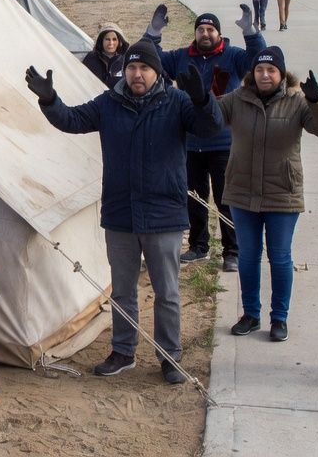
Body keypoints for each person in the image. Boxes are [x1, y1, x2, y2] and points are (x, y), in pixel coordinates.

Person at [27, 42, 221, 383]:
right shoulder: (109, 103)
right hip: (120, 214)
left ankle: (169, 355)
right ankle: (123, 351)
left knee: (167, 291)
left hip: (163, 214)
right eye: (132, 68)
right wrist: (49, 100)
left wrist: (203, 99)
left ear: (157, 72)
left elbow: (210, 129)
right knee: (122, 290)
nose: (137, 74)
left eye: (144, 68)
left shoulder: (176, 102)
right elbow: (72, 120)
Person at [217, 47, 318, 342]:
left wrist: (316, 100)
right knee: (247, 256)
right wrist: (202, 98)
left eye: (271, 70)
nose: (265, 75)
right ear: (252, 74)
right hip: (242, 191)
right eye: (260, 70)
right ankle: (250, 314)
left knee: (280, 257)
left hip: (282, 193)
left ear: (282, 74)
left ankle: (279, 318)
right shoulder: (237, 99)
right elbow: (209, 120)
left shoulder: (297, 102)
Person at [140, 5, 266, 271]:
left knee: (226, 198)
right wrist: (154, 31)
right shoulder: (182, 57)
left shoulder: (232, 56)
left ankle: (232, 251)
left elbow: (258, 60)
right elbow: (150, 59)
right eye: (201, 30)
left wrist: (250, 32)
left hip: (223, 143)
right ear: (195, 33)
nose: (205, 34)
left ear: (219, 33)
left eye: (210, 30)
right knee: (194, 197)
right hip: (190, 141)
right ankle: (199, 246)